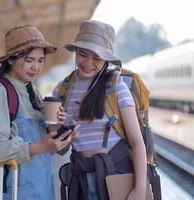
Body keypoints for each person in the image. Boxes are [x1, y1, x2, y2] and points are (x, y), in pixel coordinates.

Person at [0, 24, 76, 200]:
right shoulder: (0, 90)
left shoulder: (32, 90)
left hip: (42, 188)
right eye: (29, 60)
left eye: (40, 60)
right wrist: (41, 146)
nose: (35, 67)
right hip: (17, 190)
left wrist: (58, 130)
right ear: (11, 59)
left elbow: (47, 148)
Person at [53, 20, 147, 200]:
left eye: (97, 58)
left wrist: (139, 189)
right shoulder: (62, 90)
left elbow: (137, 142)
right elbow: (60, 150)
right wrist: (59, 128)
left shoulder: (116, 88)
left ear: (106, 60)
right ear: (76, 52)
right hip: (80, 178)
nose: (88, 63)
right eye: (83, 54)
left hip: (117, 176)